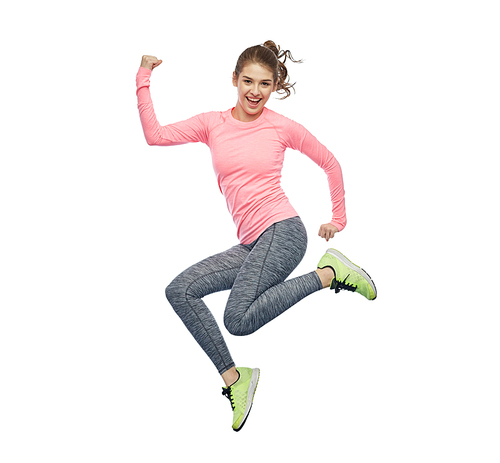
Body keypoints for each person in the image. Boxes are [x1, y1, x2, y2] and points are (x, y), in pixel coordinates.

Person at [136, 40, 377, 432]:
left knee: (238, 319)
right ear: (234, 80)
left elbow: (330, 163)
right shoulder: (212, 123)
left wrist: (339, 219)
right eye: (248, 81)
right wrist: (143, 76)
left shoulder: (281, 126)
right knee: (180, 291)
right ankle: (236, 380)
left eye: (265, 84)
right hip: (251, 244)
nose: (254, 91)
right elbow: (156, 135)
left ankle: (329, 274)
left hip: (283, 232)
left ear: (274, 86)